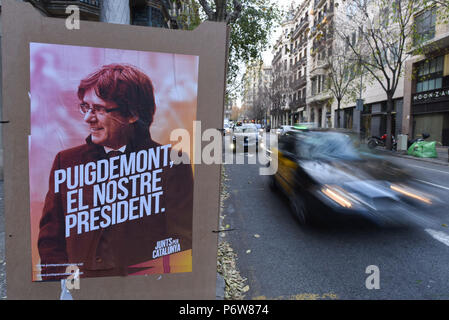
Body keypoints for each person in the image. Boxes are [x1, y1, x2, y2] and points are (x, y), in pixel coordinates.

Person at [37, 64, 193, 280]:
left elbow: (181, 241)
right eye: (85, 107)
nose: (88, 118)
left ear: (132, 114)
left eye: (99, 109)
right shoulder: (66, 161)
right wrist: (61, 283)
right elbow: (50, 238)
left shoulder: (173, 164)